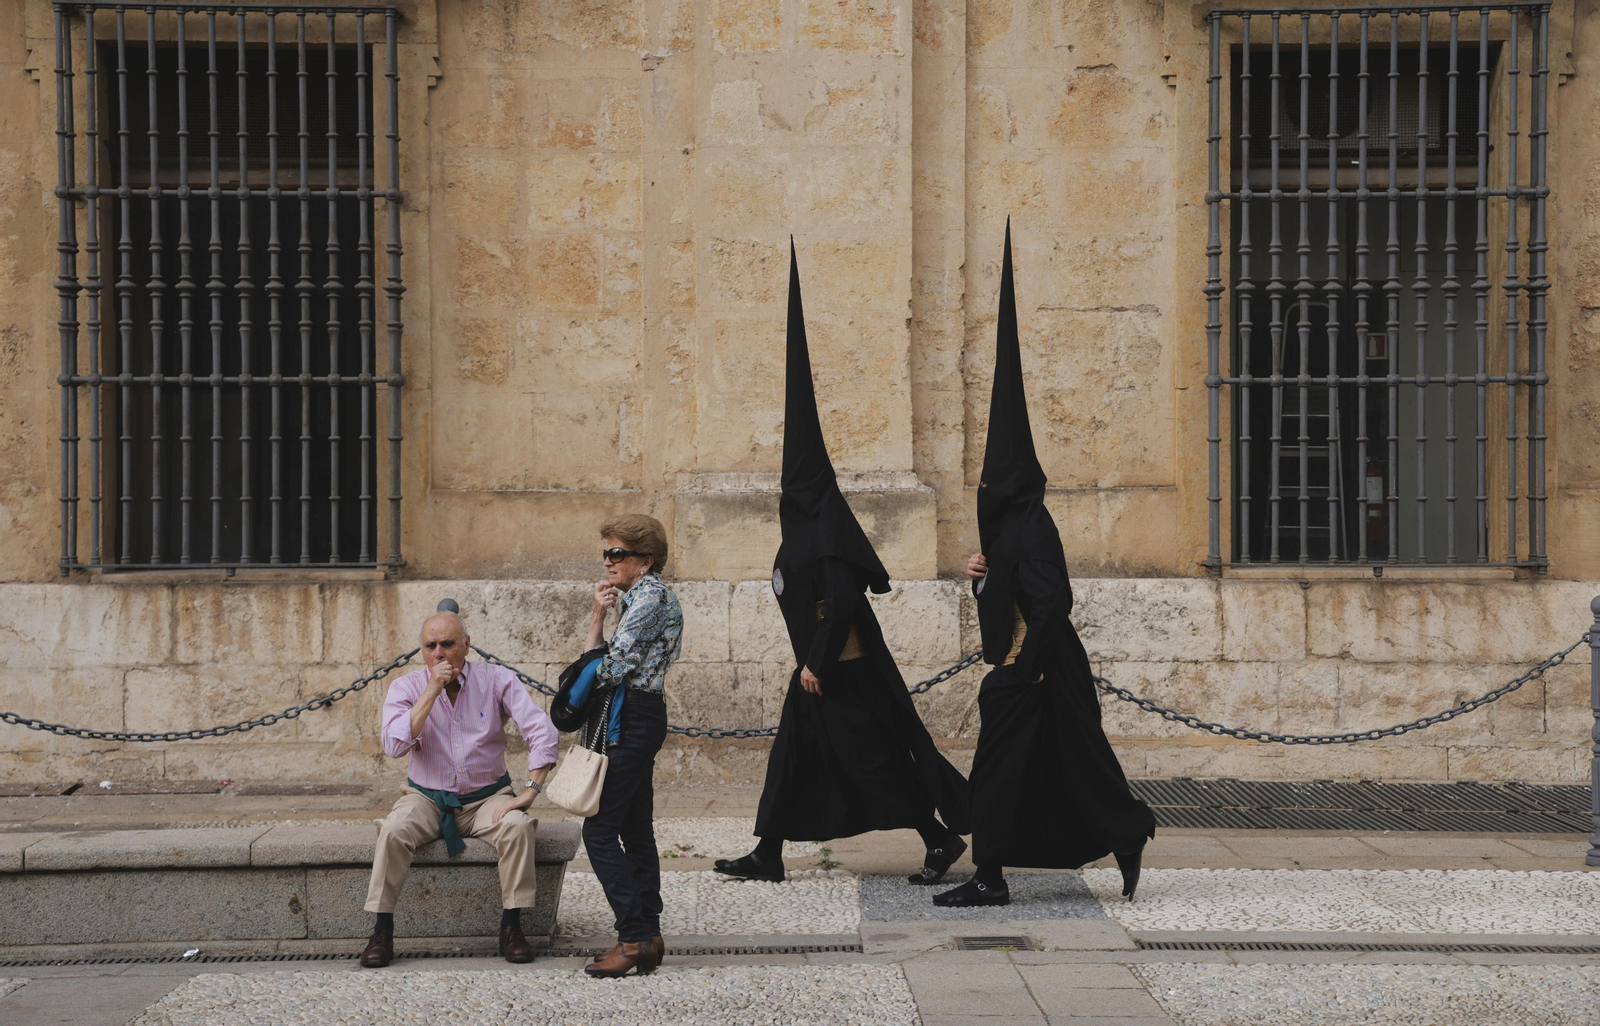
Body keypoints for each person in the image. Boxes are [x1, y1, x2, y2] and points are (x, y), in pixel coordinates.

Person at [714, 241, 971, 886]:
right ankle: (768, 853)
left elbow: (844, 603)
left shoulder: (825, 539)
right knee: (794, 757)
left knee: (875, 761)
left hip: (844, 673)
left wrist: (818, 665)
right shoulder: (805, 533)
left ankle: (939, 838)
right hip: (820, 671)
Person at [933, 222, 1155, 908]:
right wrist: (983, 581)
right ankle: (1125, 829)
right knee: (1069, 766)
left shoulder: (1028, 529)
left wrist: (1018, 672)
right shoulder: (1014, 532)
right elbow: (1019, 596)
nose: (986, 495)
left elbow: (1052, 603)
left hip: (1034, 671)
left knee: (1000, 770)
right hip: (1037, 670)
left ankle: (991, 876)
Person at [359, 610, 559, 968]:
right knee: (392, 831)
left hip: (487, 797)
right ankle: (381, 930)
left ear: (466, 645)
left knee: (517, 827)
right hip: (425, 798)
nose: (439, 653)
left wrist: (531, 789)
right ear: (422, 651)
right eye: (430, 646)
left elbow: (541, 730)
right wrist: (432, 689)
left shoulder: (496, 680)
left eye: (448, 644)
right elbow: (394, 746)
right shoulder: (406, 688)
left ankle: (512, 927)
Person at [579, 514, 684, 979]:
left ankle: (633, 936)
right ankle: (651, 935)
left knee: (598, 832)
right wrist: (599, 614)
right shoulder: (636, 597)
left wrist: (574, 686)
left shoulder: (652, 598)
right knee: (636, 829)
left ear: (644, 560)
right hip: (635, 714)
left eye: (617, 553)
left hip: (634, 717)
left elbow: (613, 666)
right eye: (606, 553)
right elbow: (607, 658)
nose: (608, 562)